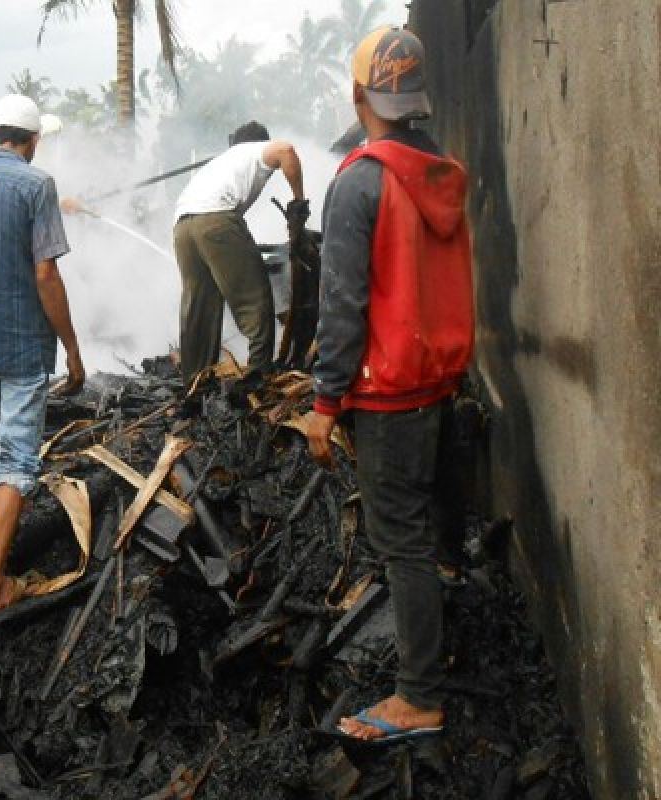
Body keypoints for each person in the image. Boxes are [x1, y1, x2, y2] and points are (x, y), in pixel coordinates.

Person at [305, 27, 475, 743]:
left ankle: (419, 695)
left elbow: (341, 304)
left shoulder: (358, 179)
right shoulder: (439, 169)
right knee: (433, 529)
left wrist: (322, 403)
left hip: (387, 391)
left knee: (398, 540)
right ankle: (447, 607)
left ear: (358, 95)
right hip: (438, 376)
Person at [0, 94, 85, 614]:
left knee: (7, 445)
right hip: (26, 341)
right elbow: (46, 273)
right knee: (17, 458)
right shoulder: (37, 184)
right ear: (32, 142)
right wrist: (72, 349)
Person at [171, 121, 307, 392]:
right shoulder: (255, 150)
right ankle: (259, 378)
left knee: (199, 306)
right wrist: (299, 202)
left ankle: (196, 386)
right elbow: (287, 150)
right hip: (216, 220)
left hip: (183, 226)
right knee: (254, 299)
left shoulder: (221, 162)